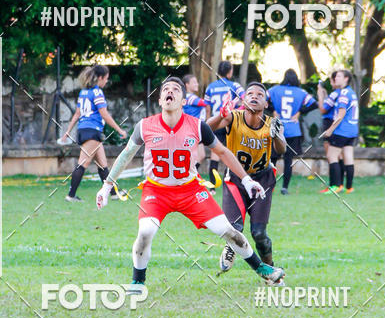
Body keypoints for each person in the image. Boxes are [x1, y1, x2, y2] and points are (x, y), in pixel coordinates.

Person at [96, 77, 285, 287]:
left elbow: (222, 152)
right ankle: (138, 281)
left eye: (176, 89)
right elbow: (125, 155)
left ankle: (262, 269)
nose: (170, 92)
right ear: (160, 100)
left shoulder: (196, 126)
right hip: (157, 191)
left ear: (183, 101)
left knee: (229, 231)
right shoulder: (145, 126)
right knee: (145, 232)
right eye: (166, 89)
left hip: (190, 190)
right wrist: (106, 186)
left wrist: (247, 179)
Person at [208, 81, 286, 273]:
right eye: (250, 93)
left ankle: (270, 269)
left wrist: (276, 136)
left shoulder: (272, 123)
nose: (254, 96)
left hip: (263, 179)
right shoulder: (233, 117)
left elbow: (281, 149)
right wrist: (220, 114)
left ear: (266, 103)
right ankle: (230, 247)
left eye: (260, 94)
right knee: (234, 227)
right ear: (243, 100)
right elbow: (204, 129)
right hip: (236, 179)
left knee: (259, 233)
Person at [60, 64, 128, 202]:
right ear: (100, 78)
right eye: (106, 78)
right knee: (82, 163)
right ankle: (71, 195)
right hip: (93, 131)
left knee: (102, 165)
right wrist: (119, 130)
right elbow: (104, 114)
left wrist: (68, 131)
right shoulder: (97, 92)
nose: (106, 81)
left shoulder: (83, 92)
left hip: (84, 130)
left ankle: (114, 193)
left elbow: (77, 114)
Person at [267, 69, 317, 194]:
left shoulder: (274, 90)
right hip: (293, 130)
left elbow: (263, 98)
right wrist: (300, 112)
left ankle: (270, 187)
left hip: (277, 128)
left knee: (272, 159)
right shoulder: (301, 92)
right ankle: (285, 188)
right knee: (288, 160)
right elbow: (314, 104)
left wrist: (272, 110)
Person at [204, 60, 245, 183]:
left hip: (215, 122)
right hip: (229, 121)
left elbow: (207, 107)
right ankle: (232, 180)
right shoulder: (234, 86)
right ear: (230, 71)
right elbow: (245, 100)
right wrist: (238, 110)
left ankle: (212, 186)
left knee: (215, 153)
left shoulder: (210, 87)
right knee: (232, 152)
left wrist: (208, 123)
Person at [319, 69, 359, 193]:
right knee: (348, 157)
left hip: (342, 130)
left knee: (332, 156)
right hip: (352, 130)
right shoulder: (352, 92)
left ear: (346, 79)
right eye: (336, 76)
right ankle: (349, 187)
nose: (336, 78)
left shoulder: (344, 93)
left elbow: (340, 115)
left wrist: (330, 130)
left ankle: (336, 186)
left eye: (339, 76)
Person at [317, 71, 342, 193]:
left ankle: (334, 185)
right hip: (337, 125)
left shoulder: (336, 94)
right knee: (338, 156)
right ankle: (339, 184)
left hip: (329, 123)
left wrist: (320, 95)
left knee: (331, 156)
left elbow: (323, 109)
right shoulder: (342, 93)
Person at [182, 73, 209, 172]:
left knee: (201, 155)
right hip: (191, 130)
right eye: (194, 82)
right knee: (194, 155)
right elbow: (204, 103)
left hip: (197, 130)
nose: (197, 84)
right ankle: (187, 175)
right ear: (186, 85)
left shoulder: (191, 96)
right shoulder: (188, 97)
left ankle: (189, 174)